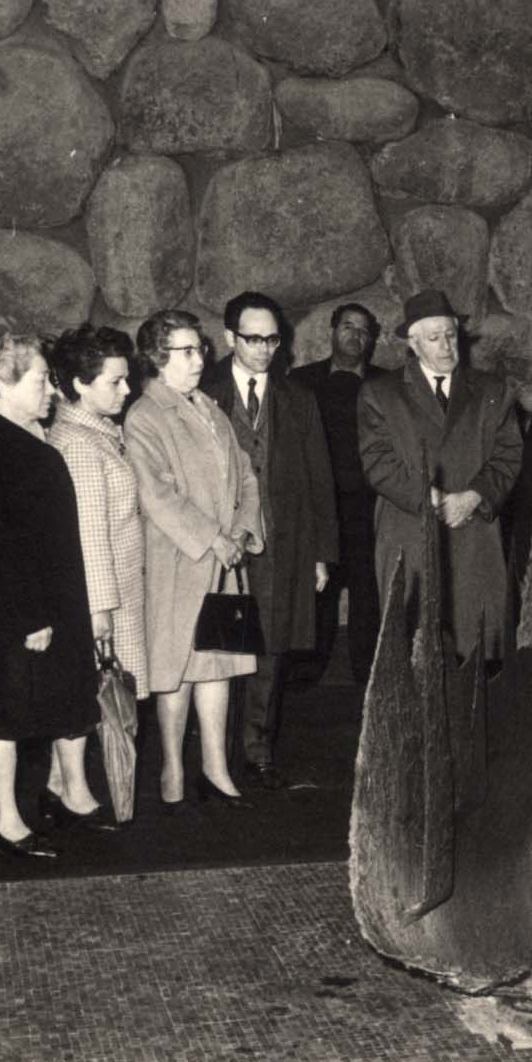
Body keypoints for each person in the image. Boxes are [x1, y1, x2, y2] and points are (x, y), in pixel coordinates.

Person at [0, 334, 103, 861]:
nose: (52, 392)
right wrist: (31, 616)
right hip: (9, 611)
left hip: (25, 605)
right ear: (4, 383)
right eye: (40, 379)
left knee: (10, 707)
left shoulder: (13, 433)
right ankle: (6, 822)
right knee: (2, 710)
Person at [125, 310, 264, 811]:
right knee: (177, 668)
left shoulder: (210, 409)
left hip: (225, 562)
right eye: (186, 351)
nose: (198, 359)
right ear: (158, 358)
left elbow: (247, 476)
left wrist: (243, 529)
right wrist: (212, 537)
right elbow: (156, 494)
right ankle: (172, 768)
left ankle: (216, 768)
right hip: (179, 564)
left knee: (219, 666)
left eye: (200, 349)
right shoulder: (145, 415)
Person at [201, 292, 336, 790]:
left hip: (282, 546)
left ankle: (257, 748)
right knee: (221, 646)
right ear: (230, 338)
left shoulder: (298, 400)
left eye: (272, 339)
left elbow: (320, 479)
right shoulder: (206, 394)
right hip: (222, 547)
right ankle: (215, 752)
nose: (263, 349)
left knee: (271, 648)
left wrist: (321, 553)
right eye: (252, 338)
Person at [358, 289, 524, 662]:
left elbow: (509, 454)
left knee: (478, 648)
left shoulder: (491, 391)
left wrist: (475, 496)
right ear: (413, 343)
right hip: (409, 534)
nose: (446, 346)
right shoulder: (380, 394)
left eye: (451, 335)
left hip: (474, 535)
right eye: (434, 338)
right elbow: (377, 461)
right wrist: (428, 498)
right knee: (414, 650)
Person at [47, 324, 145, 822]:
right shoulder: (81, 445)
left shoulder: (98, 432)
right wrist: (99, 609)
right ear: (79, 384)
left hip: (113, 589)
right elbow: (88, 536)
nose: (127, 390)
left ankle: (61, 780)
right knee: (89, 691)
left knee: (92, 688)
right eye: (115, 382)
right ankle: (75, 790)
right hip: (102, 596)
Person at [290, 302, 387, 685]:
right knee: (317, 595)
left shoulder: (387, 384)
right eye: (347, 326)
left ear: (371, 339)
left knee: (370, 595)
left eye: (364, 330)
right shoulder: (300, 382)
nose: (355, 335)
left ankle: (369, 679)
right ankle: (305, 679)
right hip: (317, 508)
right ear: (332, 331)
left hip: (369, 510)